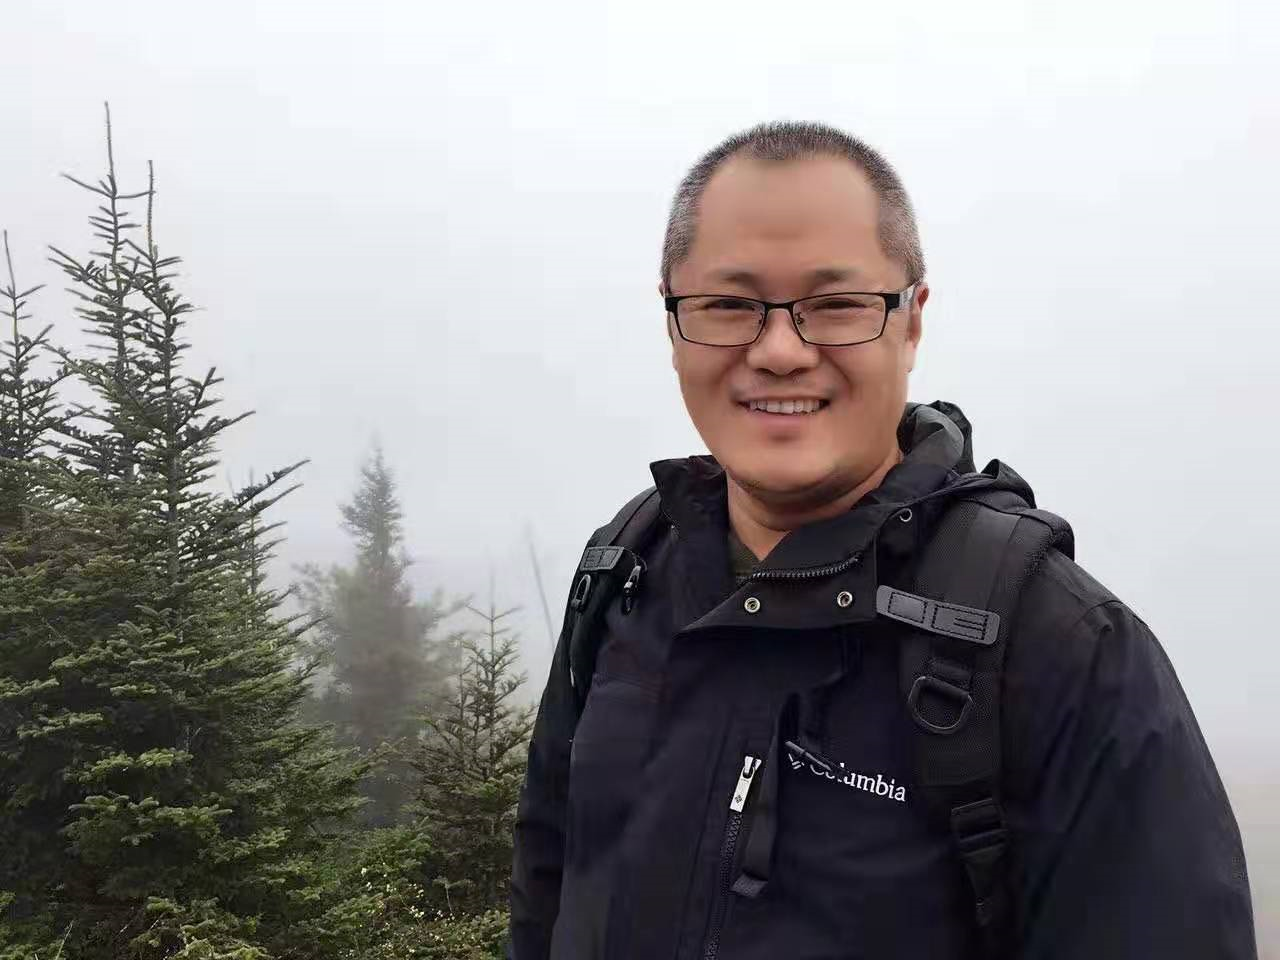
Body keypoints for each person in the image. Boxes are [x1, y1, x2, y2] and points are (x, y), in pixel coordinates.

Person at [507, 121, 1256, 959]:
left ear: (911, 321)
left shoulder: (1062, 650)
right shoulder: (627, 569)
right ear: (673, 321)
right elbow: (546, 887)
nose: (780, 351)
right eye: (729, 305)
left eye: (836, 306)